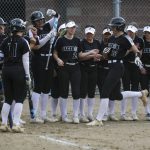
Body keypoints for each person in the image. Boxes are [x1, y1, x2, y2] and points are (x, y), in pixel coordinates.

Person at [87, 17, 148, 126]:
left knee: (105, 91)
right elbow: (107, 56)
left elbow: (137, 51)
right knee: (117, 96)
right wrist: (100, 56)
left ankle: (99, 119)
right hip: (111, 65)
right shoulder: (111, 38)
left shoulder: (125, 38)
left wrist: (137, 57)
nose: (112, 28)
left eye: (114, 26)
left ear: (119, 27)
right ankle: (141, 94)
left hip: (118, 67)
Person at [0, 18, 30, 132]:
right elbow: (25, 61)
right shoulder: (23, 41)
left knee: (8, 99)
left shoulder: (5, 41)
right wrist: (28, 76)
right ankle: (16, 124)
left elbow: (1, 57)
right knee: (19, 98)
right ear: (20, 28)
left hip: (6, 70)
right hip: (18, 71)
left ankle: (3, 123)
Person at [29, 10, 59, 123]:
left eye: (41, 19)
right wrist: (49, 36)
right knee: (38, 87)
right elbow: (36, 45)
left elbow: (57, 18)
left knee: (47, 88)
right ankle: (34, 115)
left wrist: (54, 13)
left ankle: (43, 114)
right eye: (38, 20)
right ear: (34, 22)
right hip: (39, 59)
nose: (41, 22)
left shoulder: (47, 26)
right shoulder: (32, 30)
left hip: (49, 58)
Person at [53, 20, 81, 123]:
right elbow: (55, 52)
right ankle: (64, 116)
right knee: (63, 92)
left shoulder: (77, 40)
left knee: (76, 92)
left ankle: (75, 116)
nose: (73, 29)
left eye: (74, 27)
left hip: (75, 67)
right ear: (67, 29)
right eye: (71, 27)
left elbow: (80, 54)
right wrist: (58, 59)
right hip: (64, 67)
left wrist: (91, 54)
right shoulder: (60, 40)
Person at [121, 24, 144, 121]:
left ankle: (134, 113)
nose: (129, 33)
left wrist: (139, 60)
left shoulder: (139, 40)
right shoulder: (124, 39)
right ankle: (123, 113)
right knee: (126, 87)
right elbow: (122, 54)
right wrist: (130, 49)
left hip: (135, 65)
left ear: (135, 32)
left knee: (135, 88)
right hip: (126, 64)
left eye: (131, 32)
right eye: (128, 31)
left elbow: (140, 53)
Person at [79, 25, 101, 123]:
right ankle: (82, 114)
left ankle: (90, 113)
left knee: (92, 92)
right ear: (85, 33)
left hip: (94, 69)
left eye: (91, 34)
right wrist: (92, 55)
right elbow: (81, 57)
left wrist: (96, 57)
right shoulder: (82, 43)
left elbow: (99, 56)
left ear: (94, 34)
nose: (89, 35)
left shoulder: (97, 43)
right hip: (84, 68)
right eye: (88, 33)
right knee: (83, 92)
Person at [97, 27, 118, 121]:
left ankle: (111, 113)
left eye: (109, 34)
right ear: (103, 35)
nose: (107, 36)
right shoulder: (99, 44)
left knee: (113, 91)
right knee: (103, 91)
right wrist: (102, 57)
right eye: (106, 34)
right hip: (102, 70)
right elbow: (99, 57)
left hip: (112, 69)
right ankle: (104, 113)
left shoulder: (114, 44)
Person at [50, 23, 66, 121]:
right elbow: (52, 55)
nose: (64, 32)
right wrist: (53, 69)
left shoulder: (69, 40)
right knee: (55, 93)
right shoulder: (54, 41)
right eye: (62, 30)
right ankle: (53, 113)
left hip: (65, 70)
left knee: (63, 92)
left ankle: (63, 114)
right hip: (56, 69)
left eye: (65, 30)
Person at [140, 26, 150, 120]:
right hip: (144, 68)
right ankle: (148, 112)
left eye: (149, 32)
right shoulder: (142, 43)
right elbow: (138, 56)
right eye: (146, 32)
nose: (147, 34)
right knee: (145, 90)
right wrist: (141, 67)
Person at [0, 17, 7, 113]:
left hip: (3, 68)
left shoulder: (5, 38)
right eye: (1, 27)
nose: (3, 29)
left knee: (2, 93)